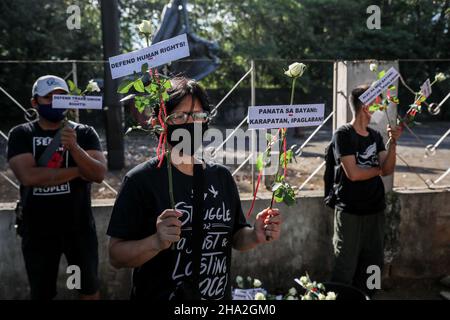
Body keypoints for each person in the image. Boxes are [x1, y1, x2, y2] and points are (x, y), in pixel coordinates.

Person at [107, 77, 282, 300]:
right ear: (160, 122)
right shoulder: (140, 180)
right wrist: (155, 242)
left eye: (199, 116)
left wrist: (255, 235)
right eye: (180, 116)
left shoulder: (221, 177)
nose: (192, 124)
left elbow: (236, 237)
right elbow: (115, 255)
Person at [7, 75, 107, 300]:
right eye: (48, 98)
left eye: (60, 97)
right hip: (37, 232)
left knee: (87, 289)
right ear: (35, 103)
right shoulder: (21, 134)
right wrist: (79, 171)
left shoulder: (84, 133)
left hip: (79, 231)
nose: (55, 102)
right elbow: (29, 176)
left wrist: (74, 148)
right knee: (42, 292)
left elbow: (99, 174)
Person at [329, 84, 402, 296]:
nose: (381, 107)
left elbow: (387, 170)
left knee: (373, 265)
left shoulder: (376, 136)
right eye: (377, 103)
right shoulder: (343, 134)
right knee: (345, 264)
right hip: (350, 212)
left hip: (375, 210)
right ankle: (340, 296)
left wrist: (393, 143)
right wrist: (377, 169)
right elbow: (353, 173)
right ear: (365, 107)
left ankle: (370, 296)